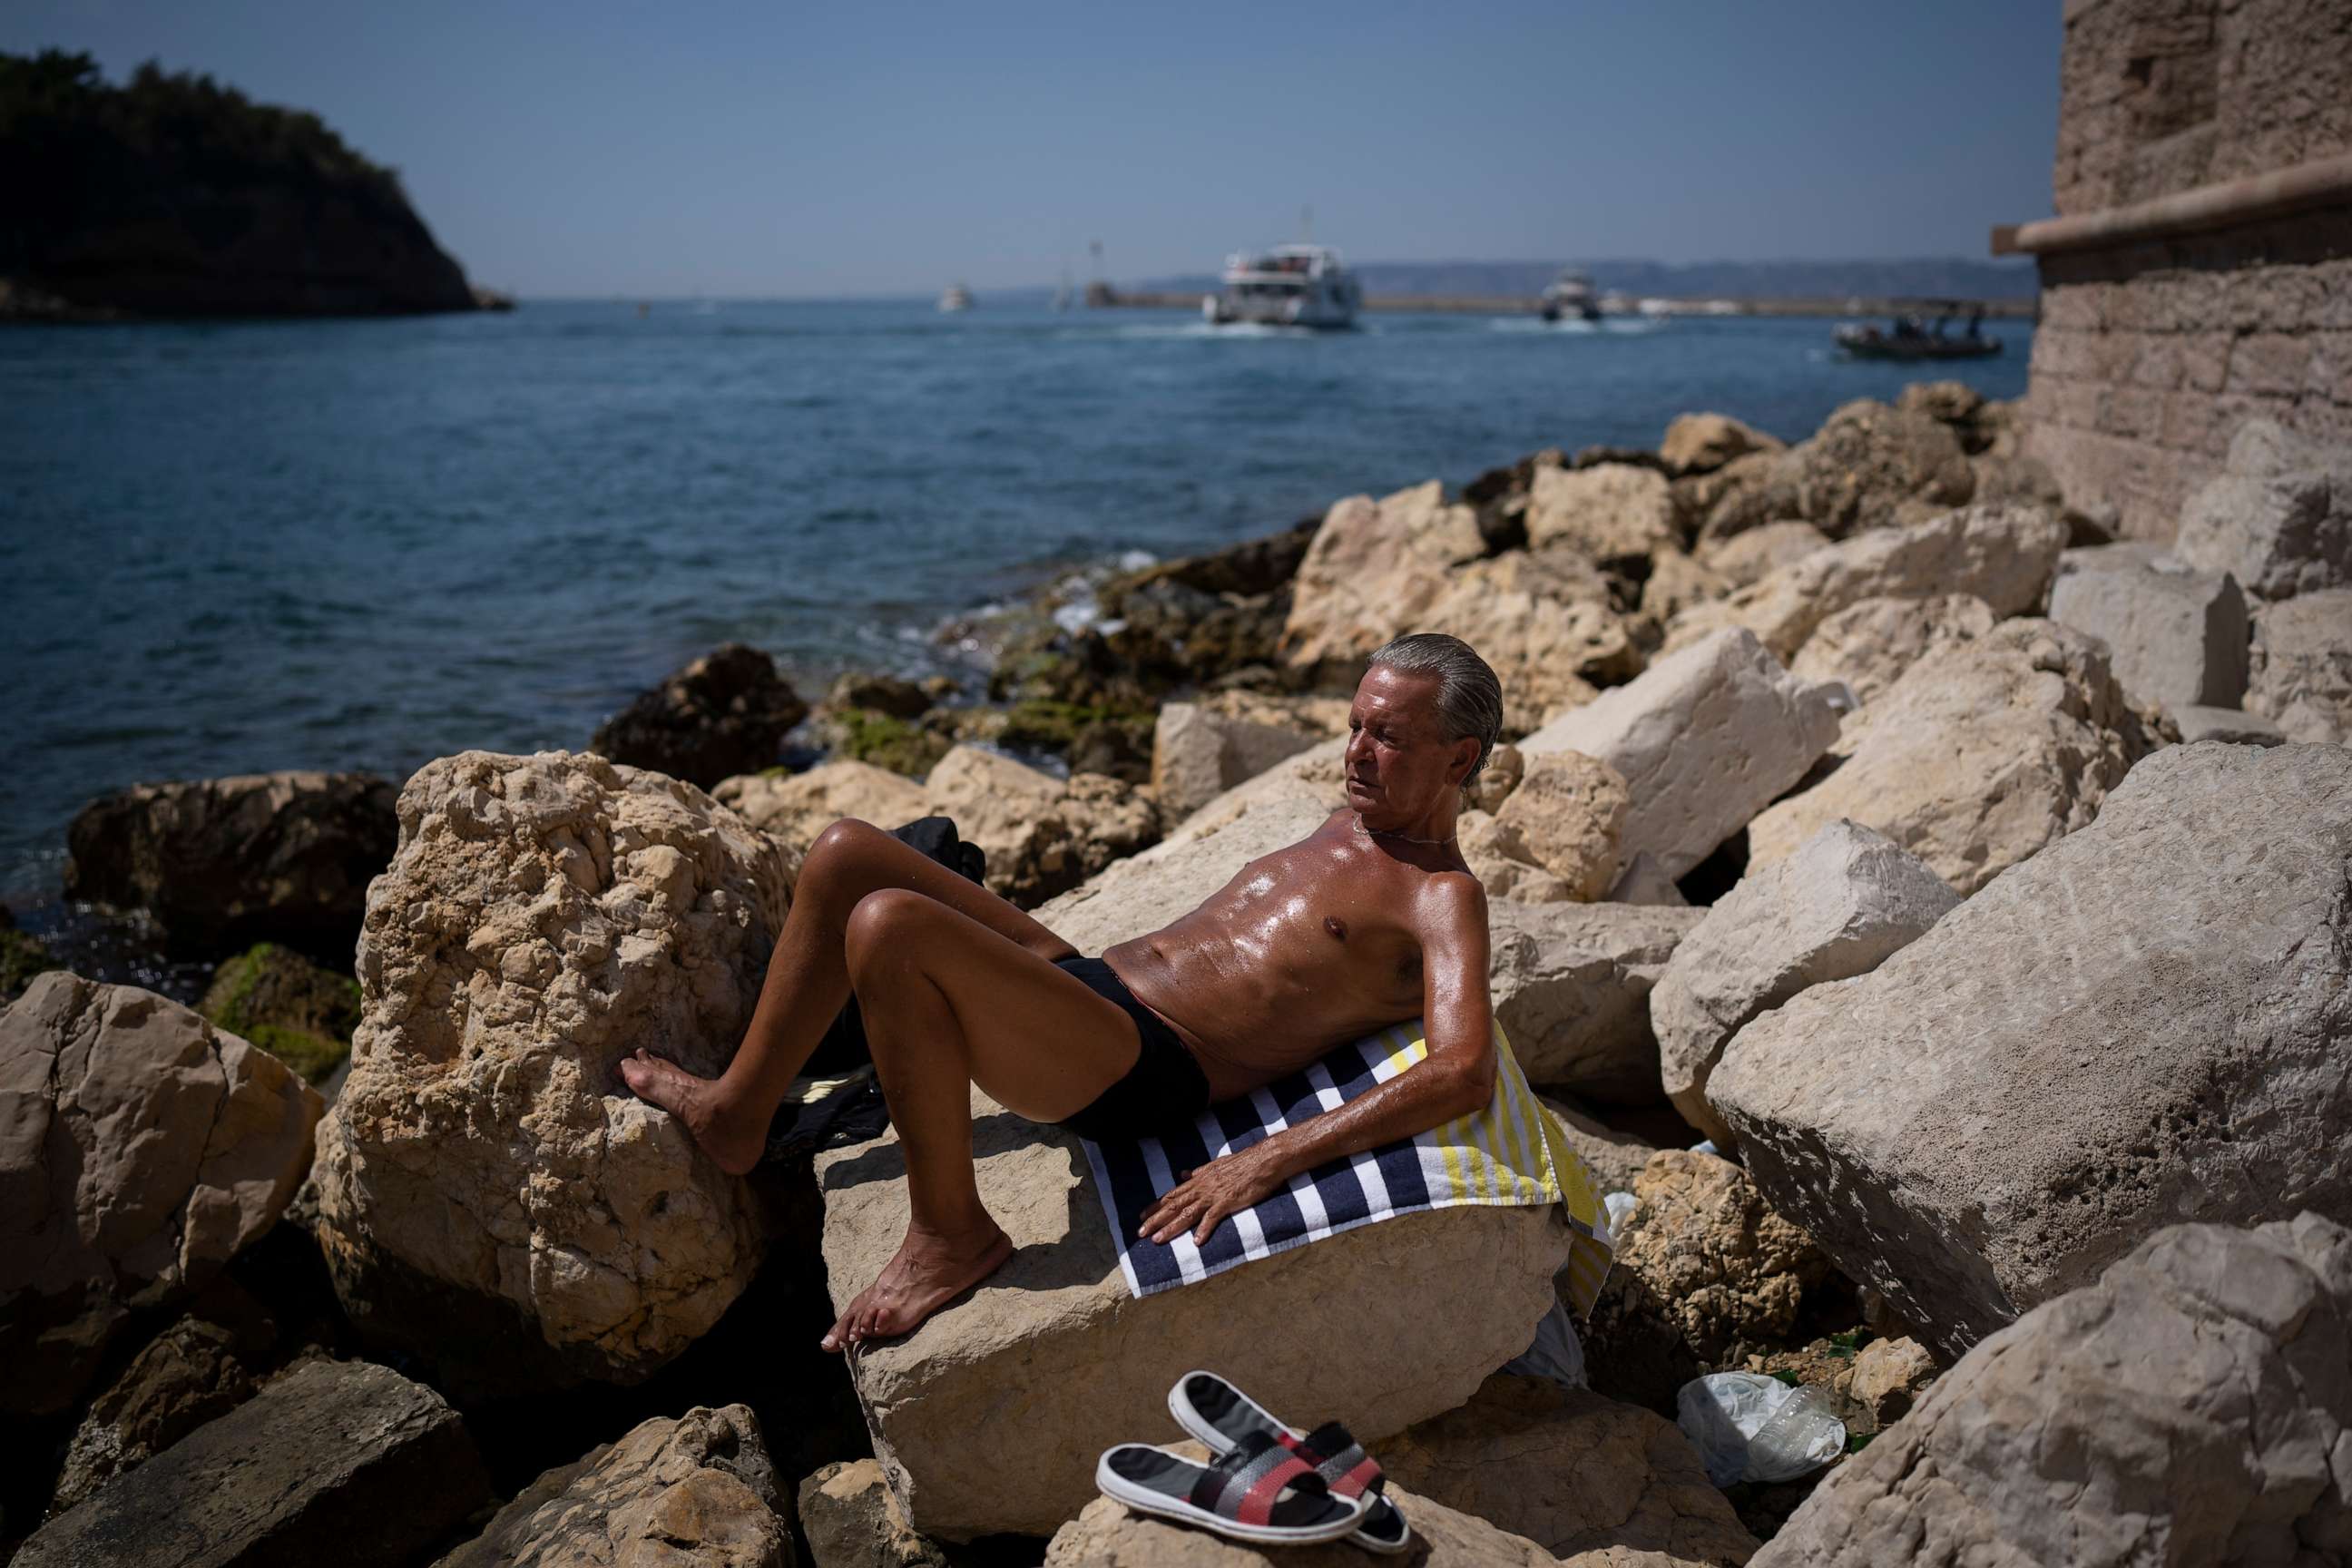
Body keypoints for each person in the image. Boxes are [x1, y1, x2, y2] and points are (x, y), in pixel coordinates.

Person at [622, 632, 1503, 1353]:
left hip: (1141, 1063)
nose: (1354, 752)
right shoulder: (1347, 820)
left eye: (1386, 737)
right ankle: (741, 1110)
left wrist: (1268, 1157)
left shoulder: (1441, 895)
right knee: (845, 851)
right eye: (1355, 725)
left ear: (1458, 757)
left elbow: (1464, 1070)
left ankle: (951, 1233)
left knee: (890, 924)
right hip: (1089, 982)